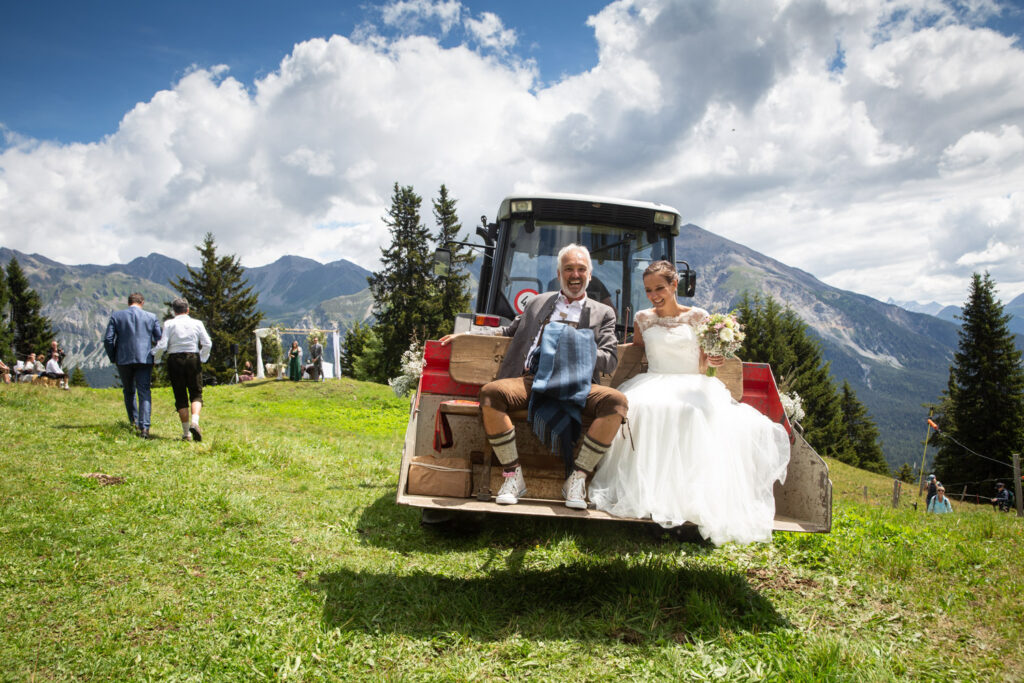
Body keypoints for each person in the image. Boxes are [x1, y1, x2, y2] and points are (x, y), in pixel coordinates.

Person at [588, 260, 791, 545]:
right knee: (641, 408)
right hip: (654, 380)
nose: (654, 295)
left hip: (691, 382)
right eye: (648, 290)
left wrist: (716, 358)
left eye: (660, 288)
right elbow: (637, 350)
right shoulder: (644, 319)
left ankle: (690, 501)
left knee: (692, 413)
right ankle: (649, 496)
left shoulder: (698, 316)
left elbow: (705, 360)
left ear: (674, 285)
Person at [441, 243, 628, 509]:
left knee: (616, 402)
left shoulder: (603, 313)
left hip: (578, 383)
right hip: (532, 379)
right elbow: (507, 332)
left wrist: (571, 345)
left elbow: (609, 358)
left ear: (590, 273)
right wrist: (468, 335)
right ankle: (513, 475)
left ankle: (577, 477)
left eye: (581, 269)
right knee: (491, 393)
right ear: (559, 272)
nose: (575, 275)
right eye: (569, 269)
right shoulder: (539, 302)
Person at [104, 293, 163, 437]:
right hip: (145, 359)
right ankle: (145, 427)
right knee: (144, 391)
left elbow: (108, 339)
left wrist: (113, 357)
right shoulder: (151, 317)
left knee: (129, 391)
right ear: (142, 302)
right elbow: (160, 340)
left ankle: (134, 421)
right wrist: (156, 357)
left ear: (128, 302)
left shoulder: (116, 316)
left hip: (123, 358)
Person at [155, 297, 212, 442]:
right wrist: (203, 358)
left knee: (180, 396)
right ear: (188, 310)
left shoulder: (169, 323)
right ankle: (195, 422)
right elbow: (207, 343)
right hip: (193, 358)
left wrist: (156, 358)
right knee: (196, 394)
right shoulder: (197, 323)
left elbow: (162, 345)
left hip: (175, 360)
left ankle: (186, 433)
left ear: (174, 311)